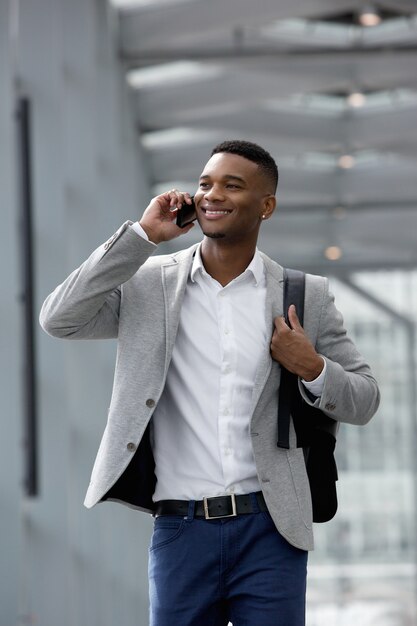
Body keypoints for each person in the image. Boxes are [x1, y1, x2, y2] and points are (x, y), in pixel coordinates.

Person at [40, 140, 380, 625]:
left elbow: (365, 399)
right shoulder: (147, 284)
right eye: (204, 184)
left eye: (231, 185)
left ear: (267, 206)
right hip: (180, 530)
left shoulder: (305, 297)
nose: (211, 194)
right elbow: (59, 319)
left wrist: (312, 367)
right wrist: (142, 236)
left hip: (271, 528)